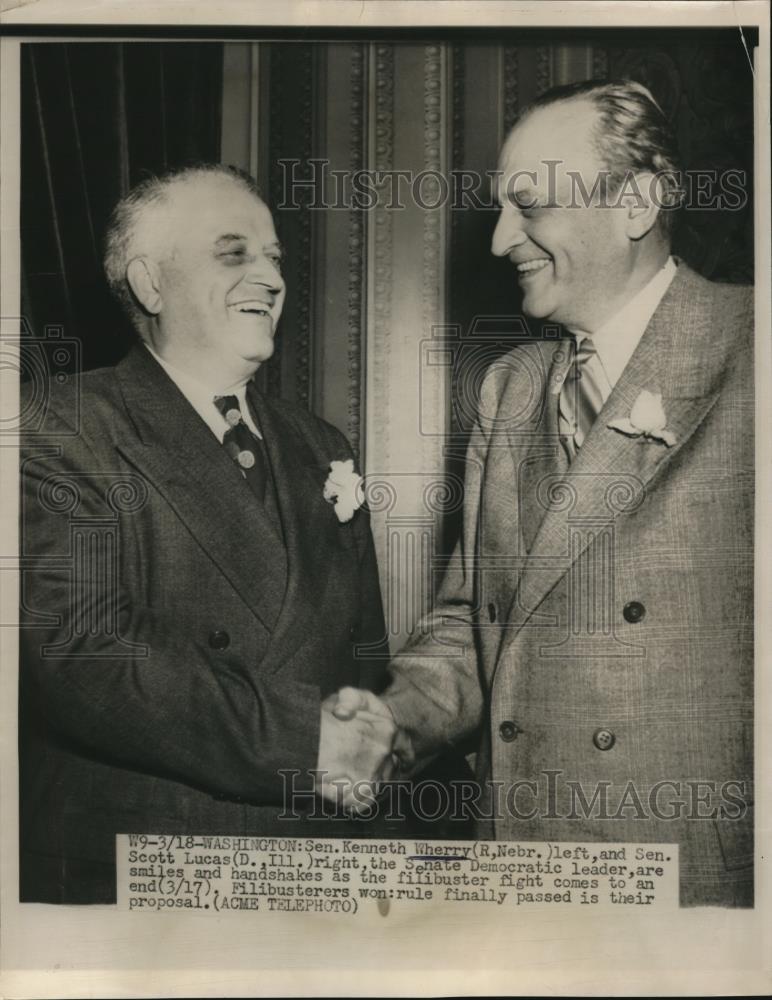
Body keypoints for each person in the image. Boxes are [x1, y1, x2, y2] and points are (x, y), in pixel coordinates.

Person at [334, 80, 754, 907]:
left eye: (530, 206)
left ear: (635, 202)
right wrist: (393, 720)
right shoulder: (513, 387)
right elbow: (474, 621)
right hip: (518, 865)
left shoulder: (752, 348)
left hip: (692, 885)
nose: (498, 241)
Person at [18, 164, 395, 904]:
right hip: (146, 873)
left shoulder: (322, 444)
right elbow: (84, 654)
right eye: (235, 253)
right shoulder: (58, 426)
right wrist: (304, 742)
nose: (271, 277)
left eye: (276, 257)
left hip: (323, 863)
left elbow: (363, 654)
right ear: (151, 285)